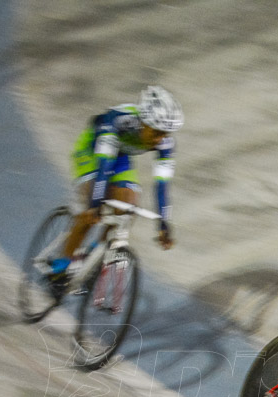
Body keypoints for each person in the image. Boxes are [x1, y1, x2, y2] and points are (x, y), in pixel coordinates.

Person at [47, 85, 182, 288]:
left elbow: (162, 186)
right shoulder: (118, 121)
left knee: (127, 209)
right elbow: (103, 168)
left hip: (120, 156)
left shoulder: (164, 143)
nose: (160, 140)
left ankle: (96, 252)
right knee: (91, 210)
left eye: (165, 134)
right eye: (156, 133)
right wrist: (94, 205)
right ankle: (63, 263)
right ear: (143, 123)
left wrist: (163, 224)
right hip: (92, 152)